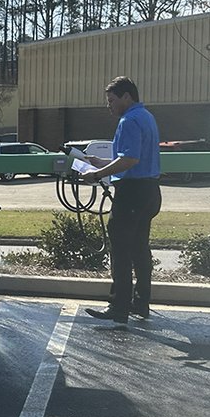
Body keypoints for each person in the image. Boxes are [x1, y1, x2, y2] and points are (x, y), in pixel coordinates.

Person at [79, 77, 161, 326]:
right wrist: (101, 163)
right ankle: (141, 302)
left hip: (132, 193)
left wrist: (96, 174)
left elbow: (129, 160)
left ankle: (119, 306)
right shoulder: (146, 116)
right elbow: (131, 158)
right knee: (139, 247)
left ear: (127, 97)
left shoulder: (129, 120)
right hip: (149, 191)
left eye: (112, 100)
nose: (109, 106)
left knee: (121, 250)